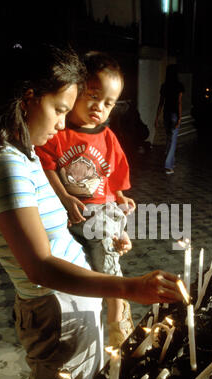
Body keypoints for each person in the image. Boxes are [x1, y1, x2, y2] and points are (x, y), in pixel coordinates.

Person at [0, 43, 182, 379]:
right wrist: (128, 287)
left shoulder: (22, 156)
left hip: (70, 307)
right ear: (28, 100)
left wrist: (109, 223)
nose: (62, 124)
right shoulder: (5, 165)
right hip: (55, 312)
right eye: (60, 109)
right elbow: (40, 265)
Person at [36, 52, 136, 349]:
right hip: (67, 215)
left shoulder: (108, 139)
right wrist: (65, 197)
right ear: (77, 90)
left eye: (109, 103)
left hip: (99, 214)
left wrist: (121, 198)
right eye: (93, 96)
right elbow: (47, 165)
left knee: (108, 261)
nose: (99, 107)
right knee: (77, 276)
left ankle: (118, 319)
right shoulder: (58, 131)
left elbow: (115, 181)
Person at [155, 64, 184, 175]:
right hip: (174, 114)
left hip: (166, 114)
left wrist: (157, 117)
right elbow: (179, 102)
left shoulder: (164, 86)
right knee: (173, 140)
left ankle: (171, 161)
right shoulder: (179, 86)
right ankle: (168, 165)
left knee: (169, 138)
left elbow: (161, 102)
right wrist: (180, 118)